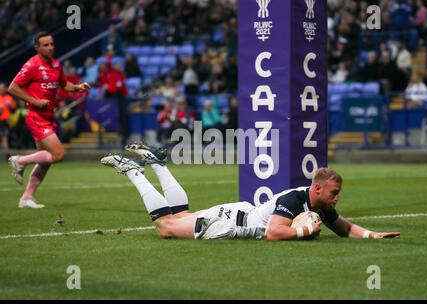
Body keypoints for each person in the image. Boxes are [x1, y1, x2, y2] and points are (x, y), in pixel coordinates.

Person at [100, 143, 401, 241]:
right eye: (334, 192)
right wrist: (302, 231)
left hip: (237, 214)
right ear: (318, 188)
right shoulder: (295, 199)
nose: (337, 197)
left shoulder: (319, 203)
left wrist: (372, 236)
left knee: (180, 215)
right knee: (166, 228)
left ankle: (156, 164)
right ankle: (134, 171)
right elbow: (273, 233)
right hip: (229, 224)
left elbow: (343, 227)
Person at [7, 32, 90, 208]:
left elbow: (63, 84)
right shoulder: (32, 65)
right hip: (36, 116)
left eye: (51, 44)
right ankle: (19, 161)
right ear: (37, 48)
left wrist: (77, 88)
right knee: (58, 155)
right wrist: (35, 101)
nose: (50, 47)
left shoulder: (56, 64)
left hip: (49, 116)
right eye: (45, 45)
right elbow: (12, 88)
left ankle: (26, 198)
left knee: (45, 162)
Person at [0, 82, 17, 160]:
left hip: (5, 122)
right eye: (0, 88)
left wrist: (10, 108)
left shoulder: (9, 98)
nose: (1, 89)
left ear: (6, 89)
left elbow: (14, 110)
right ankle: (6, 155)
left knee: (4, 138)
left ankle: (7, 156)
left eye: (2, 88)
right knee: (4, 138)